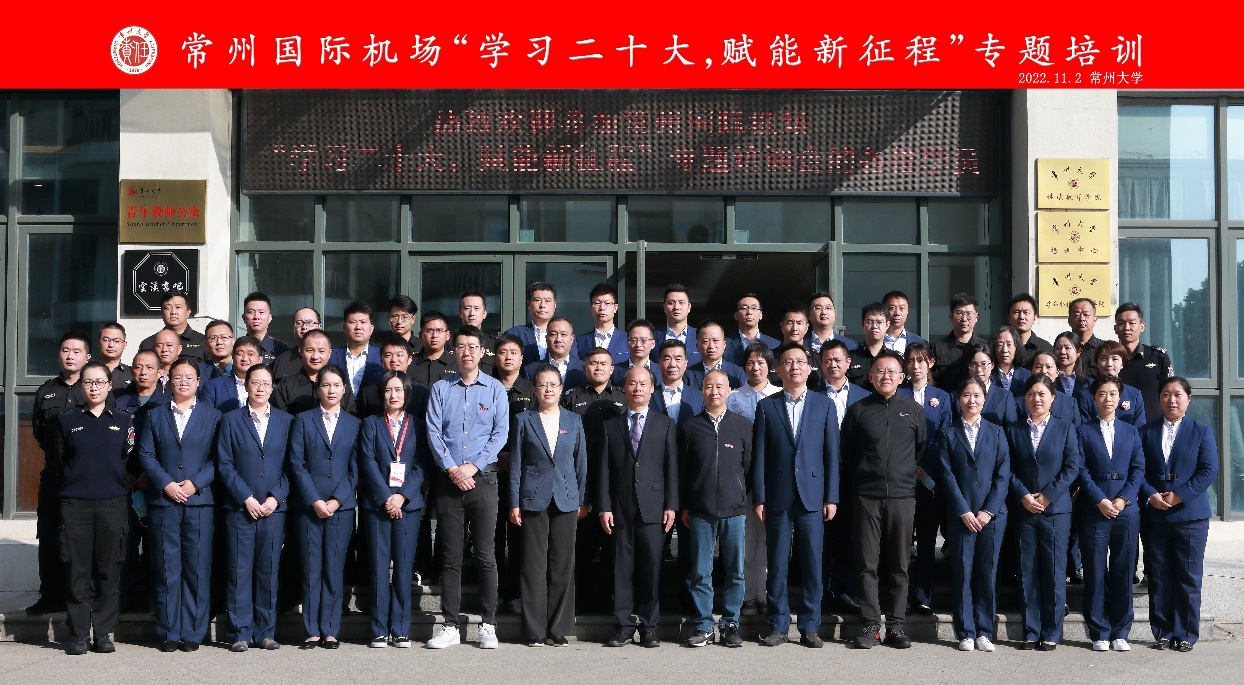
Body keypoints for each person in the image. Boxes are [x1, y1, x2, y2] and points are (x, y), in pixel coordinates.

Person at [424, 326, 509, 650]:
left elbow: (500, 434)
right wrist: (452, 469)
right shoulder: (441, 389)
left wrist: (472, 467)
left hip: (483, 480)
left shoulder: (495, 389)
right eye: (461, 346)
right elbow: (433, 432)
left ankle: (488, 623)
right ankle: (449, 625)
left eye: (473, 346)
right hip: (449, 481)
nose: (467, 352)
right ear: (454, 351)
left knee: (486, 554)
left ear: (482, 351)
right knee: (450, 556)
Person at [753, 342, 839, 648]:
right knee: (777, 563)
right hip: (778, 495)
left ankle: (810, 626)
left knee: (813, 564)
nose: (794, 367)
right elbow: (760, 456)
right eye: (788, 362)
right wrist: (760, 497)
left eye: (800, 362)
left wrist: (831, 497)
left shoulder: (824, 405)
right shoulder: (767, 406)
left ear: (809, 368)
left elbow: (832, 454)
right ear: (778, 370)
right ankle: (777, 625)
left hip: (813, 496)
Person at [137, 358, 222, 652]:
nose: (183, 382)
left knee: (197, 568)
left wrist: (196, 483)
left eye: (189, 377)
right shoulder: (155, 415)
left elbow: (219, 457)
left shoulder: (213, 416)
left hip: (200, 502)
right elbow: (145, 454)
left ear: (198, 382)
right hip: (164, 502)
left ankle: (193, 632)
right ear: (169, 381)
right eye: (177, 377)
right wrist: (167, 484)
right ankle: (169, 630)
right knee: (166, 568)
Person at [842, 351, 926, 650]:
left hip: (902, 496)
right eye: (879, 371)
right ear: (870, 376)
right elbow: (847, 453)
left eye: (892, 371)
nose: (885, 376)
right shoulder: (858, 411)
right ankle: (869, 625)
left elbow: (920, 449)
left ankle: (896, 625)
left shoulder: (913, 410)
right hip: (867, 496)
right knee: (867, 563)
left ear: (902, 377)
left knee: (899, 564)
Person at [51, 361, 134, 655]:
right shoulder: (65, 421)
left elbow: (128, 459)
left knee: (109, 570)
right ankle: (77, 635)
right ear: (80, 386)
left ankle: (102, 633)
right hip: (75, 505)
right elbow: (59, 461)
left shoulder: (124, 421)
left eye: (100, 382)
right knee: (77, 570)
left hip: (112, 504)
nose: (94, 387)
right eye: (88, 382)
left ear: (110, 385)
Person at [597, 366, 678, 649]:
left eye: (643, 384)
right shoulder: (610, 426)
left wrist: (671, 505)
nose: (638, 388)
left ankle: (649, 626)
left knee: (651, 569)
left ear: (652, 388)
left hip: (654, 508)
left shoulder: (665, 424)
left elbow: (671, 467)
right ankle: (623, 625)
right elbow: (604, 470)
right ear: (624, 388)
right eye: (632, 383)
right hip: (620, 508)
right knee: (620, 569)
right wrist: (604, 506)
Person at [215, 364, 293, 652]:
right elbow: (224, 464)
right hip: (240, 508)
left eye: (266, 383)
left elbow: (292, 466)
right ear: (246, 386)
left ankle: (265, 631)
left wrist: (275, 497)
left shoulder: (286, 421)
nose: (260, 388)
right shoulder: (231, 420)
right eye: (255, 382)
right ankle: (239, 632)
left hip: (274, 509)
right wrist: (246, 497)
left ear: (272, 388)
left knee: (268, 570)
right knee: (239, 570)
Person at [509, 365, 589, 647]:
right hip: (533, 498)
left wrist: (582, 500)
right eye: (543, 385)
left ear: (560, 388)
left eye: (553, 385)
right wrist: (514, 502)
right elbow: (516, 464)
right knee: (533, 565)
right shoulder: (523, 420)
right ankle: (534, 630)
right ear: (534, 389)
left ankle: (558, 628)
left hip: (566, 499)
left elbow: (581, 464)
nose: (548, 390)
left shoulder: (574, 421)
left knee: (562, 564)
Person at [1139, 377, 1218, 652]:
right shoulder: (1145, 432)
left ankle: (1185, 633)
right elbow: (1138, 470)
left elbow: (1208, 471)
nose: (1171, 400)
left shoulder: (1202, 432)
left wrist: (1180, 495)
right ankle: (1162, 631)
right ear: (1159, 398)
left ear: (1188, 399)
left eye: (1177, 395)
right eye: (1165, 394)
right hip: (1156, 514)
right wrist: (1151, 494)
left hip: (1190, 516)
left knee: (1188, 576)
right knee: (1159, 575)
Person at [1005, 375, 1081, 651]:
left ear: (1053, 398)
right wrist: (1023, 495)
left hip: (1056, 511)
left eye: (1042, 394)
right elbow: (1007, 468)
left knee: (1054, 570)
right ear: (1024, 398)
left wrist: (1049, 495)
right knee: (1027, 570)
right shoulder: (1013, 430)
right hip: (1024, 509)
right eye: (1031, 394)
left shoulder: (1065, 428)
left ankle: (1051, 630)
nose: (1036, 399)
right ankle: (1031, 629)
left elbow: (1072, 467)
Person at [287, 364, 359, 650]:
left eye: (336, 385)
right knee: (311, 568)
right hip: (309, 507)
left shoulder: (354, 424)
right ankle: (312, 630)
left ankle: (330, 629)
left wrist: (337, 499)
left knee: (334, 568)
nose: (331, 390)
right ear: (318, 389)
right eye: (326, 385)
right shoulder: (303, 420)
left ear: (344, 389)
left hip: (341, 507)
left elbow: (355, 468)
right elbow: (296, 463)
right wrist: (315, 500)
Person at [935, 377, 1010, 653]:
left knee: (987, 573)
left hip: (992, 516)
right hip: (962, 515)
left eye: (977, 395)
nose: (972, 400)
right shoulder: (948, 433)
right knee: (963, 572)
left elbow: (1003, 474)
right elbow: (946, 475)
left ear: (984, 399)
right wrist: (964, 510)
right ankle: (965, 631)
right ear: (959, 399)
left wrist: (988, 510)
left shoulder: (997, 432)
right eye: (966, 395)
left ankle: (984, 631)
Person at [679, 370, 752, 648]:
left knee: (735, 571)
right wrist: (686, 505)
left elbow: (749, 467)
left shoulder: (743, 426)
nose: (715, 391)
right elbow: (683, 472)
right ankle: (704, 624)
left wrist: (740, 494)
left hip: (734, 510)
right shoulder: (690, 427)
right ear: (702, 391)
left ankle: (731, 623)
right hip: (700, 510)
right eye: (709, 386)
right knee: (700, 571)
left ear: (729, 390)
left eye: (720, 386)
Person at [358, 370, 428, 650]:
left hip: (408, 507)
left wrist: (401, 497)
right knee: (378, 568)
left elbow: (421, 466)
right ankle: (378, 629)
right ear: (381, 394)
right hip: (377, 505)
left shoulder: (418, 425)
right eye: (388, 390)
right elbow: (367, 462)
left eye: (398, 390)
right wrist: (387, 497)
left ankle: (400, 629)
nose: (393, 395)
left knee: (402, 568)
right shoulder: (370, 424)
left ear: (407, 393)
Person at [1076, 374, 1145, 652]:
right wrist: (1100, 500)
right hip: (1094, 509)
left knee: (1123, 571)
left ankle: (1120, 630)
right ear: (1094, 398)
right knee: (1094, 571)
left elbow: (1138, 469)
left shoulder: (1131, 431)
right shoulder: (1082, 430)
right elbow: (1080, 470)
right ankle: (1098, 631)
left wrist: (1123, 499)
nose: (1108, 399)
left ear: (1120, 397)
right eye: (1102, 393)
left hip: (1126, 511)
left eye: (1113, 394)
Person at [27, 330, 90, 616]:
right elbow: (40, 432)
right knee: (50, 532)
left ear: (87, 356)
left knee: (82, 536)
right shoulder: (45, 390)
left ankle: (82, 595)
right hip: (54, 474)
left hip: (85, 475)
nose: (70, 356)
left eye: (76, 351)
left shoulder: (93, 388)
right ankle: (50, 594)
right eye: (65, 350)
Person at [561, 345, 626, 614]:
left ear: (612, 369)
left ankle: (611, 604)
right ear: (584, 367)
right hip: (581, 480)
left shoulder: (623, 397)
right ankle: (581, 604)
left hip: (614, 483)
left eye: (603, 363)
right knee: (582, 548)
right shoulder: (571, 397)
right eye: (593, 363)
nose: (598, 367)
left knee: (614, 548)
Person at [899, 343, 954, 617]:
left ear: (930, 363)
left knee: (927, 540)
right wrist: (909, 466)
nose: (916, 366)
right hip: (901, 478)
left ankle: (922, 596)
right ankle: (898, 597)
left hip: (930, 481)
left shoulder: (941, 397)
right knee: (899, 542)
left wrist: (924, 468)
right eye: (911, 361)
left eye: (921, 360)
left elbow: (944, 436)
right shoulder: (898, 393)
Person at [726, 344, 780, 613]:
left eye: (761, 362)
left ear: (770, 366)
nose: (755, 367)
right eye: (750, 362)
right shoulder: (733, 397)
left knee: (770, 540)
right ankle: (748, 596)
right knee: (747, 539)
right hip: (741, 476)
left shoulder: (779, 395)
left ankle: (766, 594)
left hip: (773, 476)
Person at [817, 338, 868, 614]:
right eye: (827, 360)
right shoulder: (811, 394)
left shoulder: (863, 396)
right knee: (821, 540)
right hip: (819, 478)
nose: (833, 364)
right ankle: (821, 594)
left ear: (848, 363)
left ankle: (848, 591)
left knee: (851, 537)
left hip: (854, 479)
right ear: (820, 364)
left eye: (838, 359)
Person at [492, 333, 535, 615]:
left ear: (521, 358)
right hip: (491, 471)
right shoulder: (485, 386)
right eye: (503, 352)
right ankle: (495, 592)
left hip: (524, 474)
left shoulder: (532, 389)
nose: (508, 357)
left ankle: (519, 593)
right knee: (492, 536)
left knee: (521, 536)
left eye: (513, 352)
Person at [273, 329, 355, 416]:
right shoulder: (286, 386)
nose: (315, 356)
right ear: (300, 351)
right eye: (310, 350)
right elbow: (281, 419)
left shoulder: (341, 387)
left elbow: (350, 419)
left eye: (321, 351)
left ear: (329, 353)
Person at [1116, 303, 1174, 423]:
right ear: (1115, 328)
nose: (1127, 328)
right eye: (1121, 323)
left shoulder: (1157, 356)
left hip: (1153, 427)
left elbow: (1171, 391)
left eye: (1132, 323)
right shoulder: (1111, 360)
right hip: (1120, 427)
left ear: (1142, 327)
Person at [354, 336, 431, 419]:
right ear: (381, 361)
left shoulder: (422, 392)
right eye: (388, 355)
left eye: (399, 355)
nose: (394, 359)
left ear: (409, 360)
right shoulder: (368, 393)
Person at [1075, 342, 1147, 427]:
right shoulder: (1085, 395)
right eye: (1104, 359)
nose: (1109, 364)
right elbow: (1085, 429)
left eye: (1115, 359)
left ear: (1122, 364)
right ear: (1097, 363)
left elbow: (1140, 429)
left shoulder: (1134, 395)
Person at [933, 293, 986, 392]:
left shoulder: (985, 347)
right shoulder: (937, 348)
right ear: (951, 316)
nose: (964, 319)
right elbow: (933, 382)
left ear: (976, 317)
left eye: (969, 314)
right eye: (959, 313)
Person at [956, 345, 1017, 428]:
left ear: (992, 365)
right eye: (973, 364)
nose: (979, 370)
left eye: (983, 364)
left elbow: (1011, 429)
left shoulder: (1005, 396)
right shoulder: (956, 396)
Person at [329, 301, 382, 395]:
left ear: (371, 329)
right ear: (344, 328)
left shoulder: (382, 356)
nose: (358, 327)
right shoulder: (331, 356)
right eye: (353, 322)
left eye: (363, 322)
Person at [139, 292, 207, 363]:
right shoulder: (149, 343)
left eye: (178, 307)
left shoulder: (203, 342)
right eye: (167, 308)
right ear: (161, 312)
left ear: (188, 312)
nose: (173, 312)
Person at [199, 336, 263, 413]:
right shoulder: (213, 387)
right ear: (233, 357)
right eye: (240, 354)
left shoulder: (271, 389)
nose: (245, 359)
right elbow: (207, 417)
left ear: (260, 359)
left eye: (250, 354)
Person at [524, 316, 587, 391]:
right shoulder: (531, 370)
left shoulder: (584, 368)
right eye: (553, 334)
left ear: (571, 339)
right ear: (546, 338)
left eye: (563, 334)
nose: (558, 339)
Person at [505, 282, 558, 366]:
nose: (542, 305)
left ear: (554, 305)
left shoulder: (565, 337)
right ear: (529, 304)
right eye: (537, 300)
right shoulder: (514, 334)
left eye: (547, 301)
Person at [651, 339, 702, 425]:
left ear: (685, 363)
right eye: (667, 359)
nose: (672, 364)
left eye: (678, 359)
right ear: (659, 362)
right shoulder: (650, 395)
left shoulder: (699, 396)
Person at [575, 283, 628, 364]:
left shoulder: (627, 339)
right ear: (591, 308)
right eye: (597, 303)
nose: (602, 308)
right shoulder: (579, 341)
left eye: (607, 303)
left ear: (615, 308)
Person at [684, 319, 745, 390]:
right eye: (706, 341)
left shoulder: (738, 374)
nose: (711, 346)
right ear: (697, 346)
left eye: (716, 340)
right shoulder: (688, 375)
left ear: (724, 344)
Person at [1024, 352, 1081, 425]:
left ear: (1057, 372)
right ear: (1031, 371)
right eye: (1038, 367)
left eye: (1049, 367)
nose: (1043, 371)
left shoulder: (1070, 403)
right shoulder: (1020, 403)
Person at [724, 293, 780, 366]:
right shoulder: (725, 345)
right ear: (736, 315)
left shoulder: (775, 345)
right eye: (744, 308)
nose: (749, 312)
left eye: (754, 308)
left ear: (761, 315)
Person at [847, 302, 890, 391]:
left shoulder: (895, 358)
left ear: (887, 325)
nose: (874, 326)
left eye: (879, 322)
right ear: (862, 324)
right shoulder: (849, 358)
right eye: (869, 322)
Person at [408, 312, 458, 389]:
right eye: (429, 331)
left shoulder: (457, 364)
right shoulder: (409, 363)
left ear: (448, 335)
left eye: (439, 331)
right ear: (420, 335)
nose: (434, 335)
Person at [655, 284, 701, 365]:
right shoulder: (653, 337)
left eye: (681, 303)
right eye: (671, 303)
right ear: (664, 307)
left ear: (689, 307)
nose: (676, 307)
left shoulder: (700, 337)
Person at [241, 291, 291, 366]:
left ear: (270, 318)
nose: (256, 317)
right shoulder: (236, 348)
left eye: (261, 312)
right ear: (244, 317)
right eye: (251, 312)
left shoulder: (282, 349)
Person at [272, 308, 323, 381]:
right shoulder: (281, 360)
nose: (304, 327)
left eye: (309, 323)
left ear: (319, 327)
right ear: (294, 328)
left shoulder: (330, 358)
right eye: (299, 323)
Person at [1007, 294, 1053, 370]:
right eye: (1017, 312)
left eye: (1026, 312)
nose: (1021, 317)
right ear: (1009, 318)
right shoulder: (1001, 347)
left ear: (1034, 318)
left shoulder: (1045, 348)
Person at [610, 319, 660, 386]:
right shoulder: (614, 372)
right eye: (633, 340)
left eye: (643, 340)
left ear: (653, 344)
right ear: (627, 343)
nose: (638, 345)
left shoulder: (661, 371)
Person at [989, 325, 1031, 400]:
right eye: (1000, 345)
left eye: (1009, 345)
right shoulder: (987, 374)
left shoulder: (1027, 376)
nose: (1004, 350)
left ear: (1016, 347)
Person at [882, 290, 927, 355]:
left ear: (907, 311)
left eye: (902, 308)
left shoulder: (920, 343)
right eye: (892, 308)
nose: (897, 313)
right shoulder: (871, 342)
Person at [1068, 298, 1104, 380]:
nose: (1082, 319)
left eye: (1086, 315)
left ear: (1095, 320)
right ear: (1069, 320)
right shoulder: (1062, 350)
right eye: (1076, 315)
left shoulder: (1103, 349)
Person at [458, 290, 494, 372]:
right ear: (460, 313)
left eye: (476, 308)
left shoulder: (494, 345)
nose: (472, 313)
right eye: (467, 308)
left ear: (484, 314)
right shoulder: (449, 344)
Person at [97, 323, 134, 392]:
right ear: (98, 342)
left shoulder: (132, 374)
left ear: (124, 345)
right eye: (106, 340)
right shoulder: (87, 371)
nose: (111, 345)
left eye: (117, 341)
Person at [150, 329, 183, 395]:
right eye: (159, 345)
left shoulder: (186, 376)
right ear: (154, 349)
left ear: (179, 349)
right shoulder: (147, 375)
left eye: (169, 345)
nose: (164, 349)